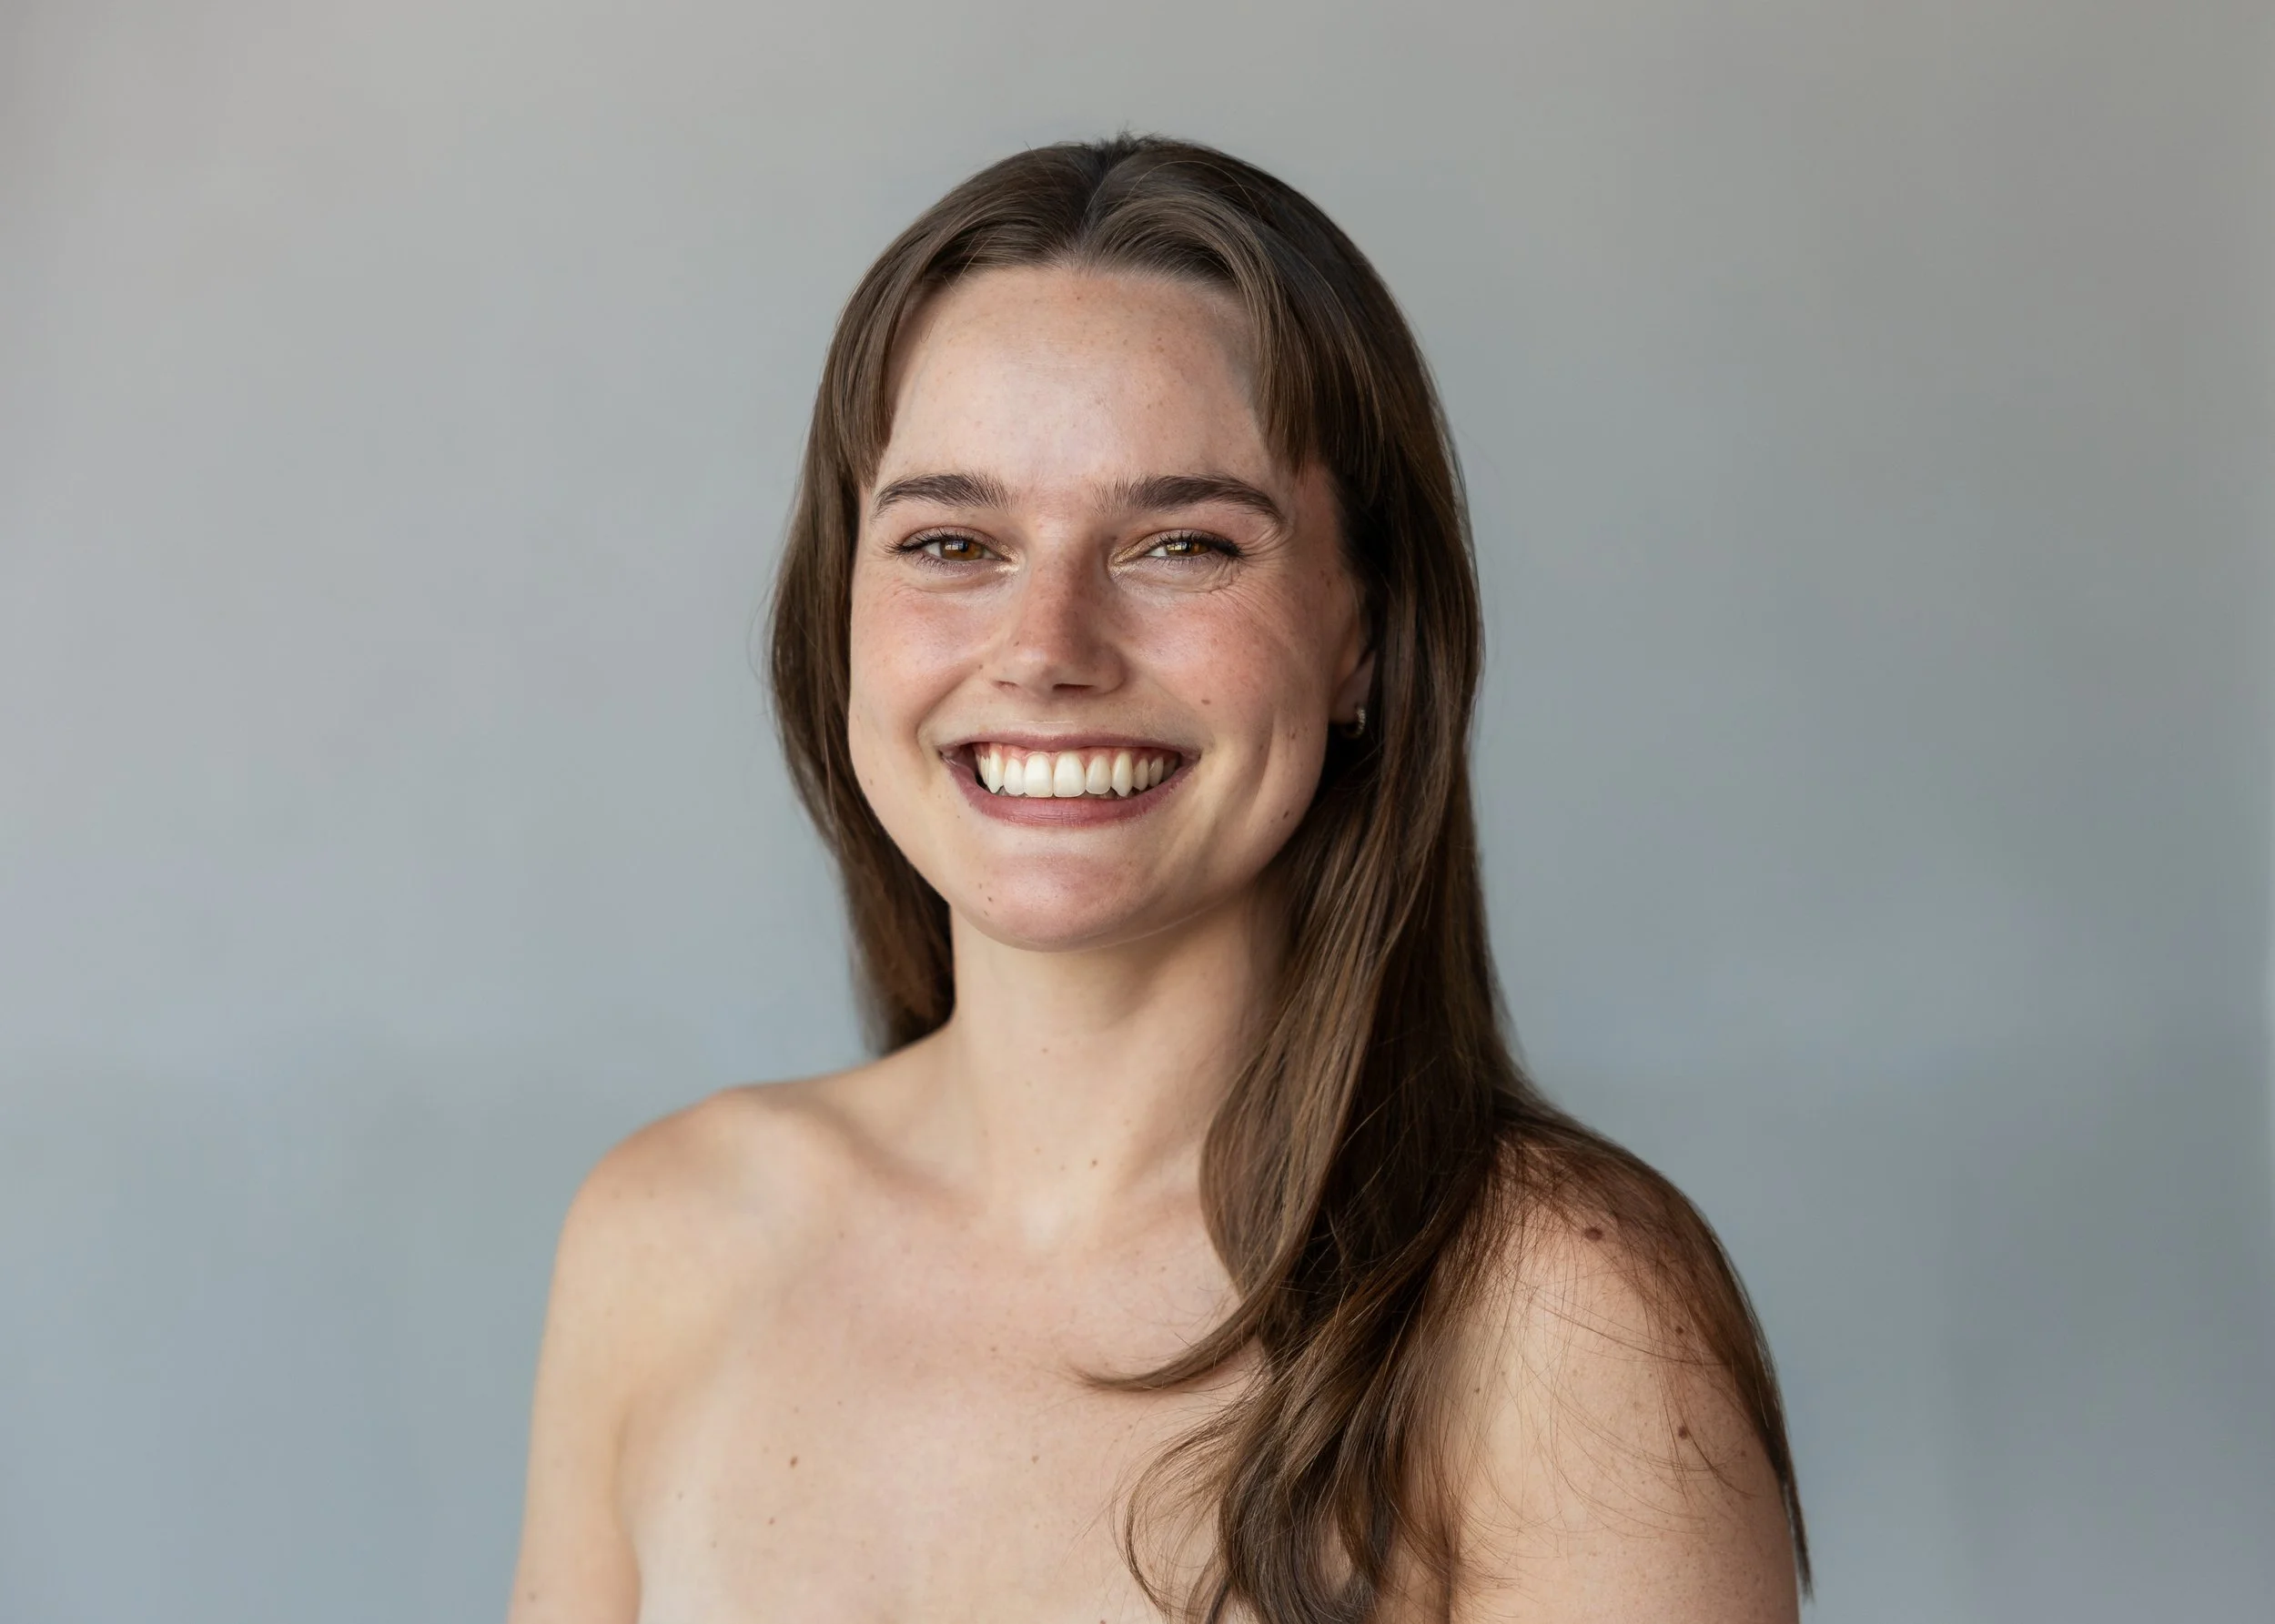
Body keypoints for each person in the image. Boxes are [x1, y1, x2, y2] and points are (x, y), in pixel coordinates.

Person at [507, 135, 1807, 1623]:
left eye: (1182, 543)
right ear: (841, 609)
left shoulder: (1566, 1320)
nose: (1048, 648)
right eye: (953, 541)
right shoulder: (662, 1240)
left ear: (1363, 638)